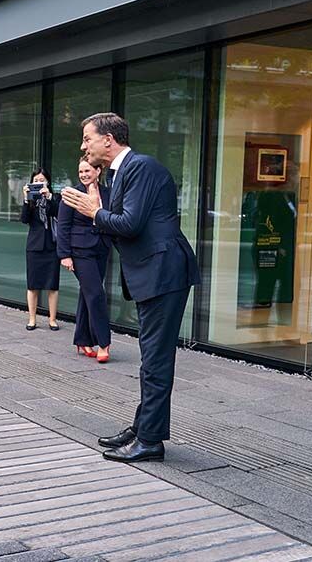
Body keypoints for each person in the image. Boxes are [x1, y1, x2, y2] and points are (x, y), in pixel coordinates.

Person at [62, 112, 200, 464]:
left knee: (155, 358)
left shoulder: (139, 167)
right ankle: (144, 427)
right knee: (151, 357)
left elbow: (130, 223)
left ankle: (150, 441)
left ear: (108, 139)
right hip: (153, 272)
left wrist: (95, 212)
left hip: (163, 272)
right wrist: (94, 210)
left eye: (87, 138)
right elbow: (121, 225)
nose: (83, 146)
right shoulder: (123, 171)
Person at [57, 157, 111, 362]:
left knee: (87, 294)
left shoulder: (108, 193)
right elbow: (62, 226)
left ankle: (83, 339)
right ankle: (104, 342)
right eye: (81, 172)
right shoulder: (72, 194)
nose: (84, 175)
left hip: (101, 249)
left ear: (98, 171)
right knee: (96, 293)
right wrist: (64, 255)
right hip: (80, 251)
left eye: (88, 171)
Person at [20, 168, 60, 331]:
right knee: (33, 284)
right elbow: (24, 220)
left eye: (42, 180)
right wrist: (25, 199)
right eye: (36, 180)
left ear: (47, 182)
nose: (39, 183)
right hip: (34, 246)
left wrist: (48, 197)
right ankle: (32, 319)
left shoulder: (55, 197)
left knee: (52, 285)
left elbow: (58, 212)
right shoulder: (30, 200)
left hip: (51, 245)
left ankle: (52, 319)